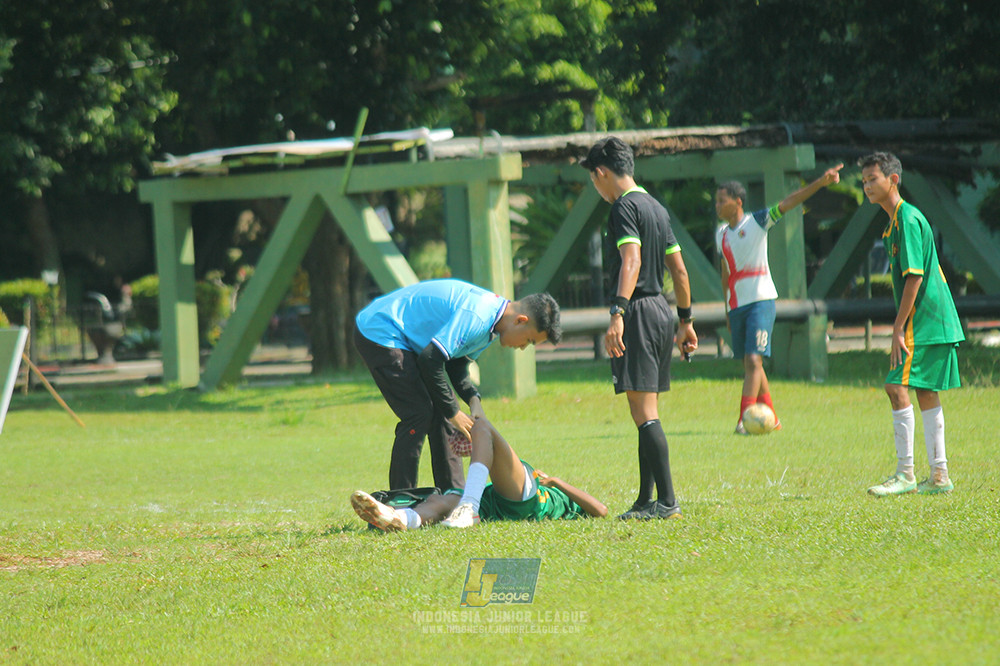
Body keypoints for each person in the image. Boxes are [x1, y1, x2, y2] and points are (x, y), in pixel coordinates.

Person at [580, 136, 698, 521]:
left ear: (601, 173)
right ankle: (646, 500)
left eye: (594, 181)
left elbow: (630, 260)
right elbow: (679, 270)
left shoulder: (623, 208)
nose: (596, 188)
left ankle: (667, 502)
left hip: (638, 313)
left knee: (645, 411)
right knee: (643, 409)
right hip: (662, 311)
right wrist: (686, 320)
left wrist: (618, 313)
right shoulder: (656, 208)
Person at [354, 278, 561, 492]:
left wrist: (474, 402)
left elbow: (456, 367)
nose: (523, 348)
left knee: (443, 413)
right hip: (380, 330)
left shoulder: (492, 326)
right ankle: (399, 501)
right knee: (419, 414)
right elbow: (430, 360)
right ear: (521, 320)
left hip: (407, 341)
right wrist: (454, 412)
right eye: (528, 340)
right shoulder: (479, 316)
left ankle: (452, 495)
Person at [858, 152, 964, 496]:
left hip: (924, 321)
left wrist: (898, 327)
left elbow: (914, 278)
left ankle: (905, 474)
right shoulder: (893, 224)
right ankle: (939, 476)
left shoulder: (907, 219)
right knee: (925, 391)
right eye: (863, 181)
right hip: (936, 321)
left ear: (893, 180)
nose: (866, 185)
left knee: (895, 386)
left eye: (873, 178)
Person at [715, 163, 844, 434]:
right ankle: (771, 418)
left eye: (721, 200)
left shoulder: (757, 222)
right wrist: (727, 308)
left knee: (753, 361)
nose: (717, 205)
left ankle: (744, 420)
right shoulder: (721, 234)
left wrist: (820, 182)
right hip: (738, 305)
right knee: (752, 363)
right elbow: (725, 273)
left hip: (761, 301)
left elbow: (788, 202)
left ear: (738, 202)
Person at [350, 417, 608, 531]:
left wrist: (557, 482)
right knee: (443, 501)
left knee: (483, 426)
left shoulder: (555, 497)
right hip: (492, 504)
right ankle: (401, 519)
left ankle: (476, 440)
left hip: (525, 501)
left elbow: (601, 510)